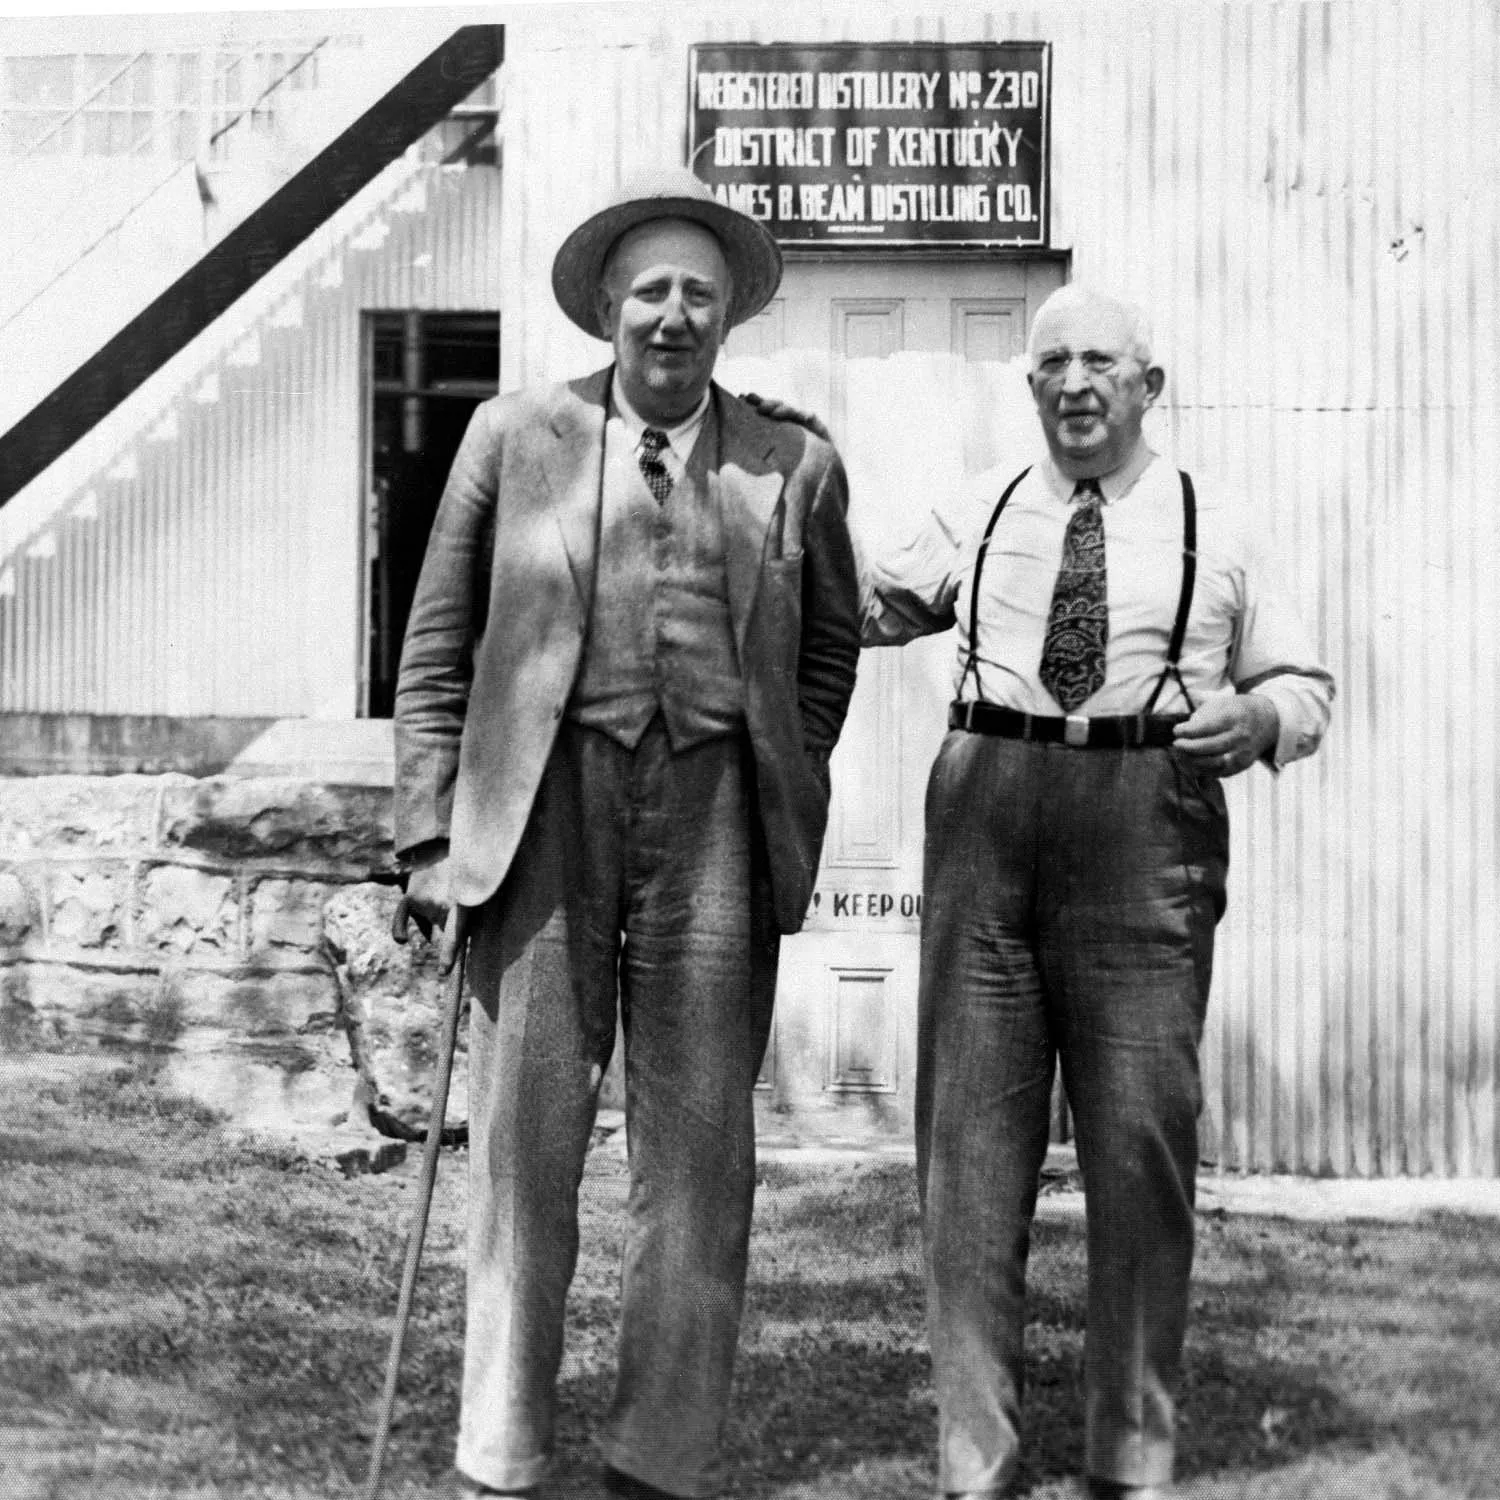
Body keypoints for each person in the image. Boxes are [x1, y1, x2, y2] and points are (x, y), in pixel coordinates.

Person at [756, 283, 1333, 1498]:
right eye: (1052, 362)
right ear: (1029, 386)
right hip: (987, 813)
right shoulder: (981, 506)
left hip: (1145, 822)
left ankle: (1131, 1456)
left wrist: (1262, 714)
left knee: (1138, 1146)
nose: (1074, 384)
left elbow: (1303, 685)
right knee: (969, 1151)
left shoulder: (1214, 524)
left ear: (1148, 388)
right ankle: (979, 1458)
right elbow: (857, 605)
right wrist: (793, 475)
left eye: (1100, 365)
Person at [391, 168, 860, 1499]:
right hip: (546, 818)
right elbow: (433, 649)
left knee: (699, 1161)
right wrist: (431, 835)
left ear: (728, 319)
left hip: (714, 822)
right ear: (607, 305)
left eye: (698, 295)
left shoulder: (794, 460)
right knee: (527, 1149)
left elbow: (829, 648)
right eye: (650, 289)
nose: (673, 314)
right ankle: (502, 1441)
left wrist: (784, 763)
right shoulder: (510, 437)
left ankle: (661, 1453)